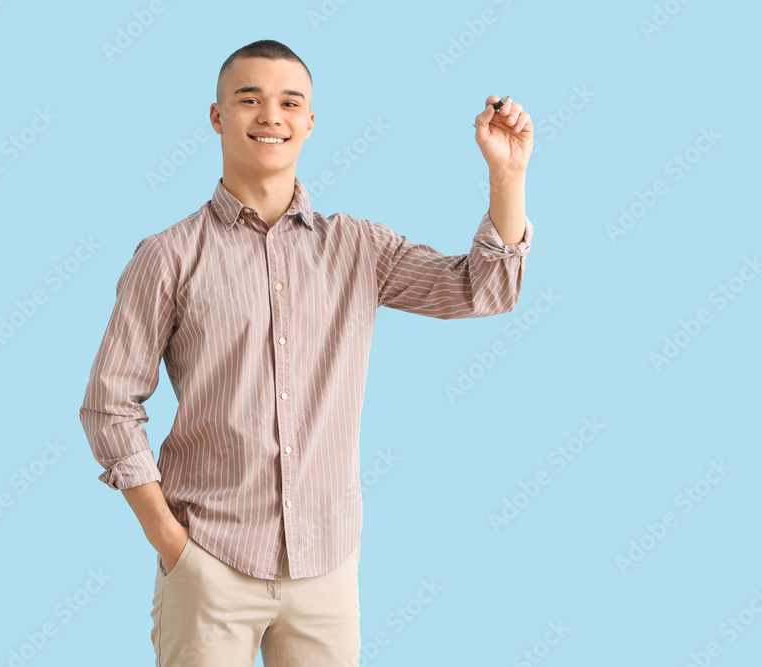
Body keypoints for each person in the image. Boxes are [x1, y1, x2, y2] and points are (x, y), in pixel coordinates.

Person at [79, 38, 534, 666]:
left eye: (290, 102)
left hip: (326, 568)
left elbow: (481, 290)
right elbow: (109, 404)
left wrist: (506, 176)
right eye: (249, 100)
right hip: (209, 561)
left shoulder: (358, 248)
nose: (271, 116)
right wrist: (171, 542)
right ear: (217, 116)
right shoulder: (169, 256)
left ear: (310, 123)